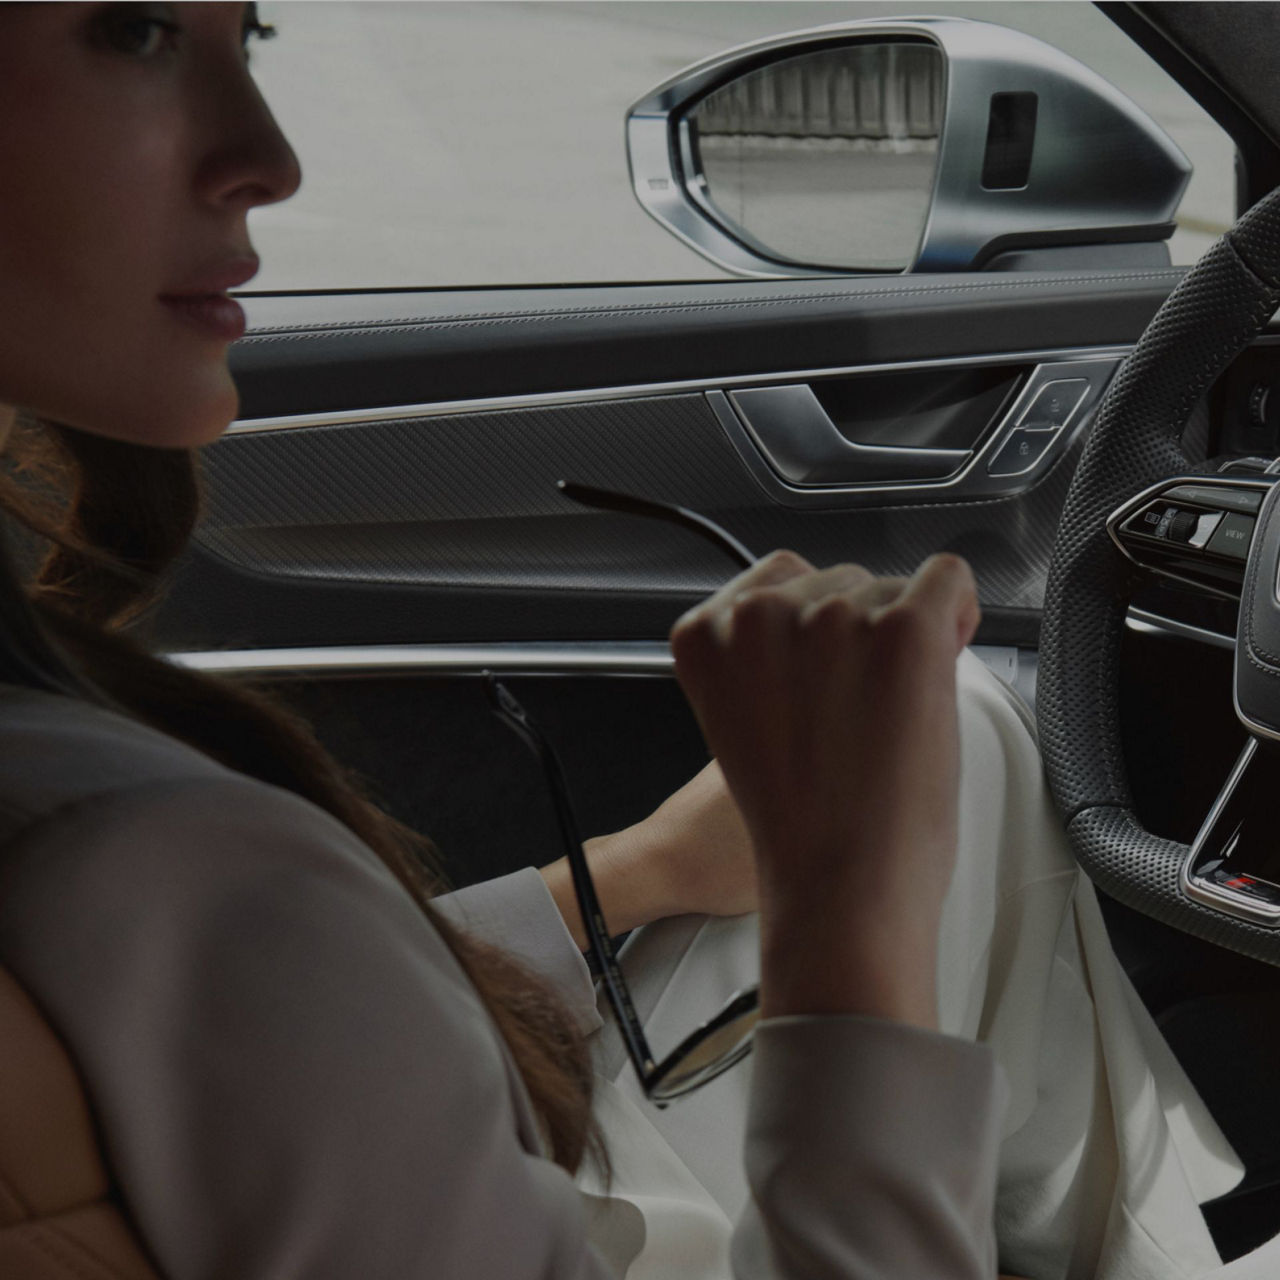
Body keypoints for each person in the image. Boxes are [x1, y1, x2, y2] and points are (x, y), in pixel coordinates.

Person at [0, 4, 1271, 1278]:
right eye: (134, 30)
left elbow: (284, 1041)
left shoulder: (134, 852)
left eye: (251, 35)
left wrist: (642, 867)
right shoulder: (173, 869)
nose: (270, 158)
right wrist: (844, 908)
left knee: (959, 725)